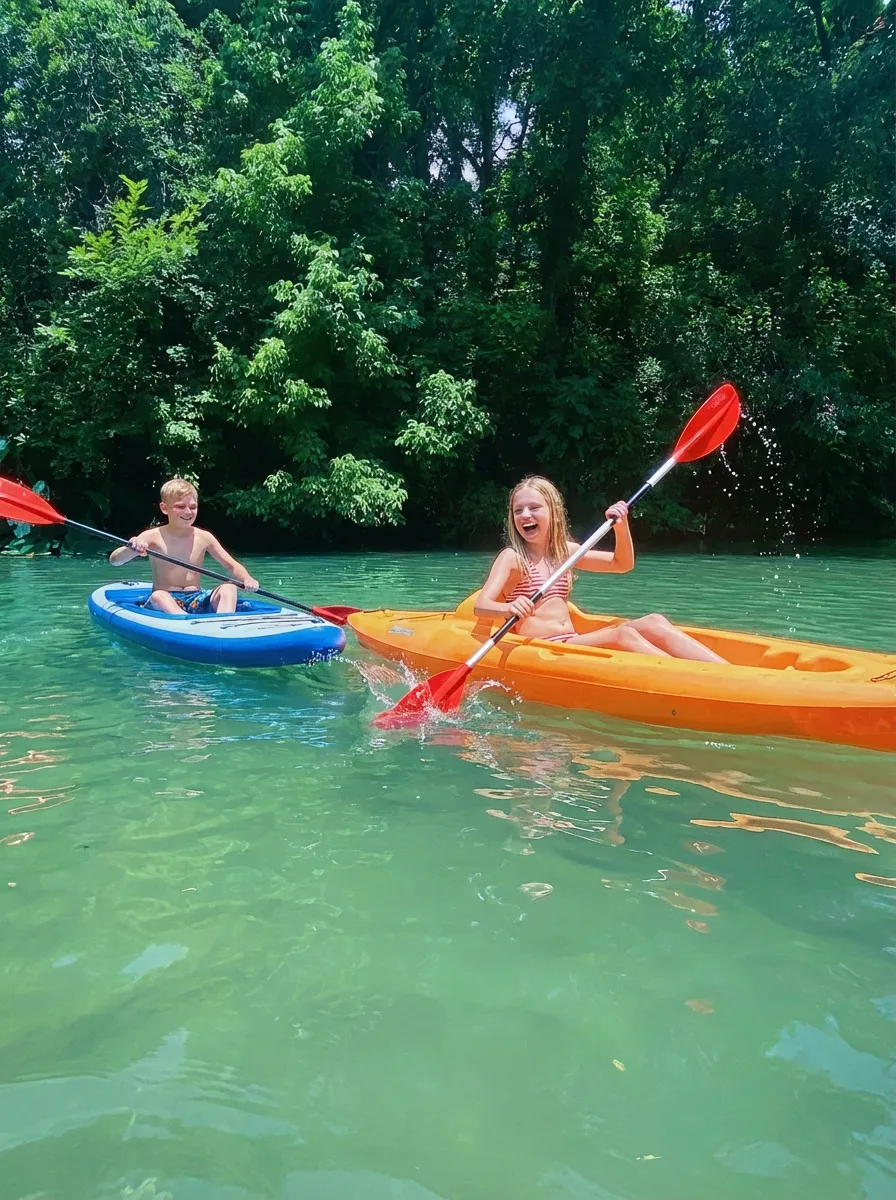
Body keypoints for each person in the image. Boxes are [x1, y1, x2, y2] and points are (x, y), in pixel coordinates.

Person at [474, 475, 726, 662]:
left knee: (654, 622)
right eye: (518, 511)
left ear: (553, 512)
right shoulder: (513, 557)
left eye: (534, 508)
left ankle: (724, 671)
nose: (525, 515)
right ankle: (687, 679)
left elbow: (622, 564)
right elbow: (481, 605)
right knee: (622, 635)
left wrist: (621, 525)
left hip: (571, 641)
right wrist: (508, 607)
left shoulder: (565, 552)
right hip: (543, 647)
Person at [109, 478, 259, 614]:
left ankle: (224, 624)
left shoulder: (204, 537)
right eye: (180, 506)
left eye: (193, 507)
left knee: (229, 588)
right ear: (164, 508)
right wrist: (131, 548)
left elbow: (231, 566)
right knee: (159, 596)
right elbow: (115, 561)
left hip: (196, 598)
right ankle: (186, 624)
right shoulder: (151, 536)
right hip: (166, 600)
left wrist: (247, 578)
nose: (188, 512)